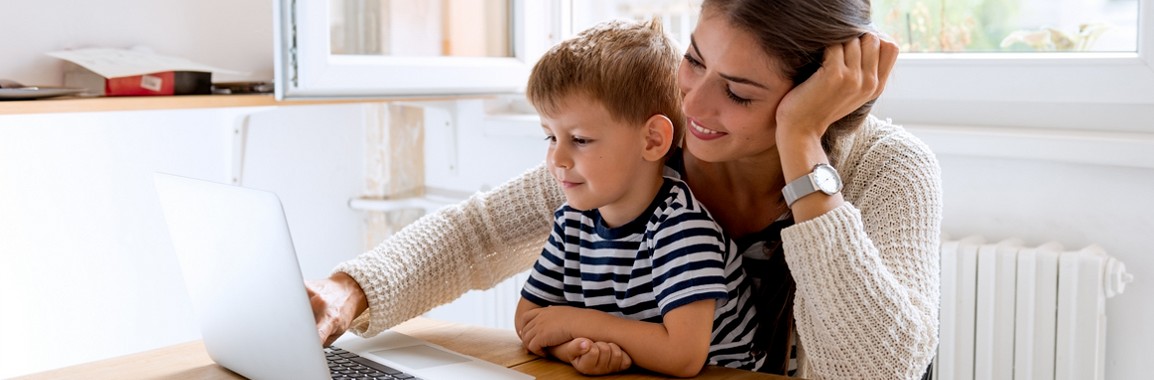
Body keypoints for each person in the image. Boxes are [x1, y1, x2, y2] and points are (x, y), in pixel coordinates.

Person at [307, 0, 942, 378]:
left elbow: (874, 370)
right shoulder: (658, 137)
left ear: (818, 97)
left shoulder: (889, 171)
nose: (692, 100)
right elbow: (486, 231)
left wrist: (802, 145)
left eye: (740, 92)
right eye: (694, 59)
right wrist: (347, 292)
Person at [511, 19, 764, 377]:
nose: (557, 159)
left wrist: (576, 322)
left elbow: (682, 356)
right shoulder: (572, 221)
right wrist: (574, 347)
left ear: (652, 141)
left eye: (580, 139)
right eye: (550, 137)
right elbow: (531, 320)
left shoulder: (683, 229)